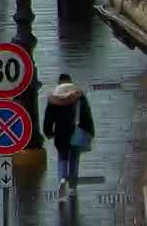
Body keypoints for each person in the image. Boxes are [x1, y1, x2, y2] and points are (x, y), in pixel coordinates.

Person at [41, 72, 96, 201]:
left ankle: (61, 181)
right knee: (74, 159)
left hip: (60, 133)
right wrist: (90, 131)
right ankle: (72, 188)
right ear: (71, 82)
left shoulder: (54, 99)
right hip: (77, 132)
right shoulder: (79, 96)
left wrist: (48, 132)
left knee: (62, 157)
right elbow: (86, 114)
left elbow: (48, 118)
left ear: (59, 83)